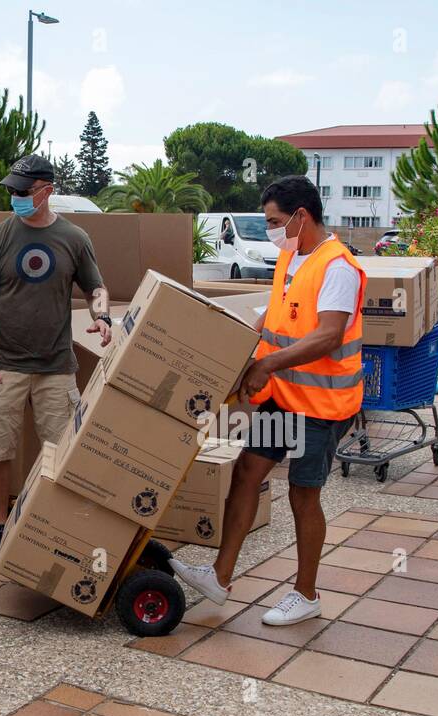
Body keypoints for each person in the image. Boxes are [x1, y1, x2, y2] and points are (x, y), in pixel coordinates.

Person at [170, 175, 365, 626]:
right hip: (283, 398)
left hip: (320, 405)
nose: (271, 229)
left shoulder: (336, 266)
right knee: (246, 472)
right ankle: (219, 577)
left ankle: (307, 593)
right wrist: (233, 342)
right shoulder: (291, 256)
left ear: (302, 215)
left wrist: (267, 365)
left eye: (276, 221)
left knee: (302, 495)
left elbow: (328, 334)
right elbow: (274, 315)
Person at [0, 155, 112, 559]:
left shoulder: (74, 238)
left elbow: (95, 288)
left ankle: (56, 529)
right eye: (11, 191)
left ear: (47, 191)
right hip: (4, 366)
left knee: (63, 451)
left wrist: (103, 317)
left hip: (55, 368)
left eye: (23, 191)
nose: (15, 197)